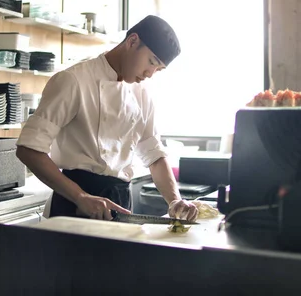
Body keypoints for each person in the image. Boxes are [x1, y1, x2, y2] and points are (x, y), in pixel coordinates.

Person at [16, 15, 198, 221]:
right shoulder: (74, 80)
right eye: (151, 62)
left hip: (119, 202)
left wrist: (175, 200)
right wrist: (81, 196)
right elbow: (29, 149)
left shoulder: (143, 93)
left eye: (158, 69)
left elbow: (154, 155)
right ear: (132, 41)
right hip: (74, 204)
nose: (150, 73)